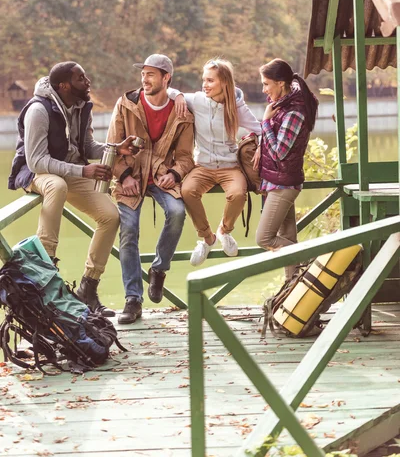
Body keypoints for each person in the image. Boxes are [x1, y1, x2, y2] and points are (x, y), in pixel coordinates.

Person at [8, 62, 136, 317]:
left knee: (110, 217)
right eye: (81, 78)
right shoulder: (38, 110)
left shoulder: (81, 106)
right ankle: (47, 271)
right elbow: (36, 161)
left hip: (70, 171)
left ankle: (88, 288)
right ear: (63, 85)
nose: (87, 81)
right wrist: (83, 171)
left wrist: (114, 148)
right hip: (37, 173)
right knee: (56, 185)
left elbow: (86, 146)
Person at [106, 54, 194, 324]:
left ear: (166, 78)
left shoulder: (182, 112)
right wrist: (124, 175)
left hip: (162, 176)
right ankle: (133, 299)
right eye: (143, 74)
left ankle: (159, 269)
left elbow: (186, 156)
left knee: (178, 212)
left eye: (151, 74)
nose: (144, 79)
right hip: (130, 177)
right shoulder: (126, 104)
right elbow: (112, 146)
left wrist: (176, 173)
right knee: (128, 230)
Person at [169, 58, 261, 266]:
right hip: (202, 166)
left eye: (210, 80)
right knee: (187, 191)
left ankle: (224, 232)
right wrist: (180, 96)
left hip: (230, 167)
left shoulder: (237, 108)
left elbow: (260, 129)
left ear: (224, 83)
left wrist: (261, 146)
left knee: (238, 194)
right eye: (204, 80)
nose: (205, 84)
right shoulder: (199, 101)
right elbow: (167, 91)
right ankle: (207, 238)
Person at [255, 58, 319, 281]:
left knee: (264, 238)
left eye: (266, 84)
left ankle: (314, 260)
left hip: (284, 185)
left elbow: (280, 152)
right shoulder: (283, 107)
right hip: (277, 182)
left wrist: (265, 123)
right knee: (287, 238)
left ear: (280, 83)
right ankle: (293, 290)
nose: (264, 90)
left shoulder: (293, 112)